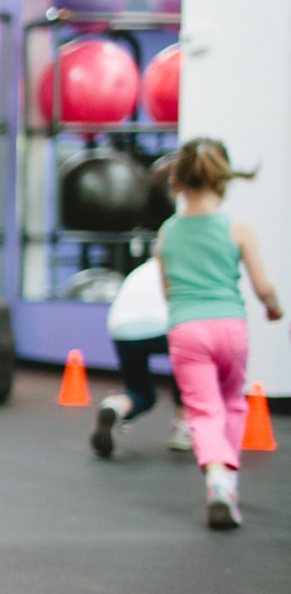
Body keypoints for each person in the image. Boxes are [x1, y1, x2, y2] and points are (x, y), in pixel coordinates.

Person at [155, 137, 282, 529]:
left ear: (178, 181)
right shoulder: (237, 229)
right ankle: (230, 481)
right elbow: (263, 287)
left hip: (187, 329)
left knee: (203, 410)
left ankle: (217, 480)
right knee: (232, 403)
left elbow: (167, 291)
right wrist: (274, 308)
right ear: (222, 180)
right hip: (230, 327)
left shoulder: (167, 233)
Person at [89, 259, 190, 458]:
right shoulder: (181, 266)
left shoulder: (141, 270)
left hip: (122, 329)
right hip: (162, 325)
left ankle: (115, 406)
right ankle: (181, 427)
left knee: (140, 391)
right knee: (186, 365)